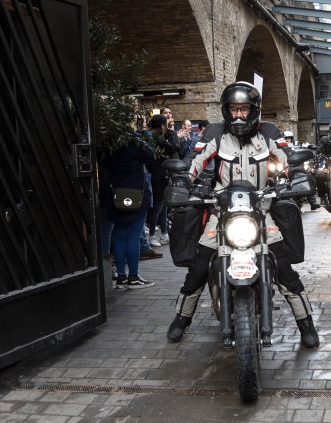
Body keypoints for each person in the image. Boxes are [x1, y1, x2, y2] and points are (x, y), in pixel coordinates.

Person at [166, 81, 319, 348]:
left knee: (284, 269)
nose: (238, 115)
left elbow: (286, 155)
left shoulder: (269, 132)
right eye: (234, 109)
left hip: (262, 209)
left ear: (254, 110)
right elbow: (196, 159)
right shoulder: (215, 132)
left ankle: (306, 324)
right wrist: (183, 180)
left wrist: (295, 173)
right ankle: (182, 318)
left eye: (244, 109)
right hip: (221, 210)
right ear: (226, 110)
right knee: (199, 267)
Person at [103, 118, 157, 289]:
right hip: (136, 193)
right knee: (133, 235)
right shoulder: (133, 141)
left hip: (116, 193)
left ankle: (121, 276)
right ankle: (133, 276)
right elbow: (152, 156)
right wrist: (143, 135)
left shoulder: (108, 144)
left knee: (119, 236)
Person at [147, 114, 181, 247]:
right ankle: (152, 235)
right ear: (162, 125)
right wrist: (167, 138)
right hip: (157, 175)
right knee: (157, 206)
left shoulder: (161, 136)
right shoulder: (153, 138)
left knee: (163, 206)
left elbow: (175, 148)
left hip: (161, 174)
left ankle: (165, 233)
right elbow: (172, 148)